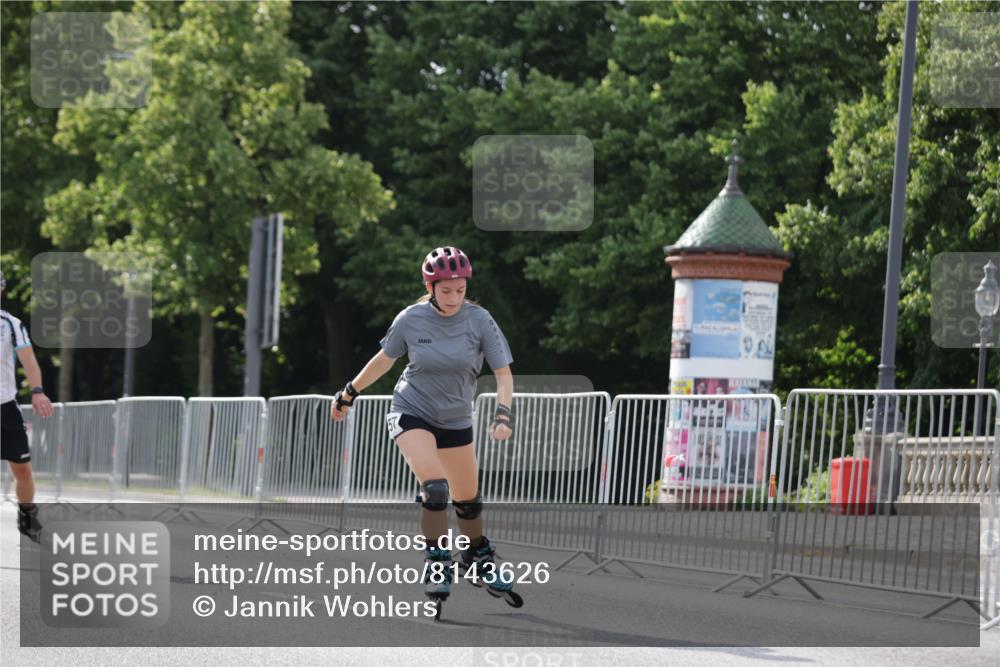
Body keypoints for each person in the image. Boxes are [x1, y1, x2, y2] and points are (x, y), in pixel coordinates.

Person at [330, 246, 515, 609]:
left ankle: (478, 554)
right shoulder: (411, 319)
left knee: (468, 503)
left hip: (456, 419)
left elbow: (503, 374)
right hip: (411, 410)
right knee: (435, 488)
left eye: (460, 290)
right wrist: (349, 392)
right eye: (445, 290)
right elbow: (384, 361)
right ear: (430, 286)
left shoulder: (480, 320)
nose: (453, 298)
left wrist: (503, 414)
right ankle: (436, 561)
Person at [0, 270, 54, 542]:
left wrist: (37, 391)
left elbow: (29, 361)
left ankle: (27, 515)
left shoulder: (11, 324)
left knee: (22, 470)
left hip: (5, 407)